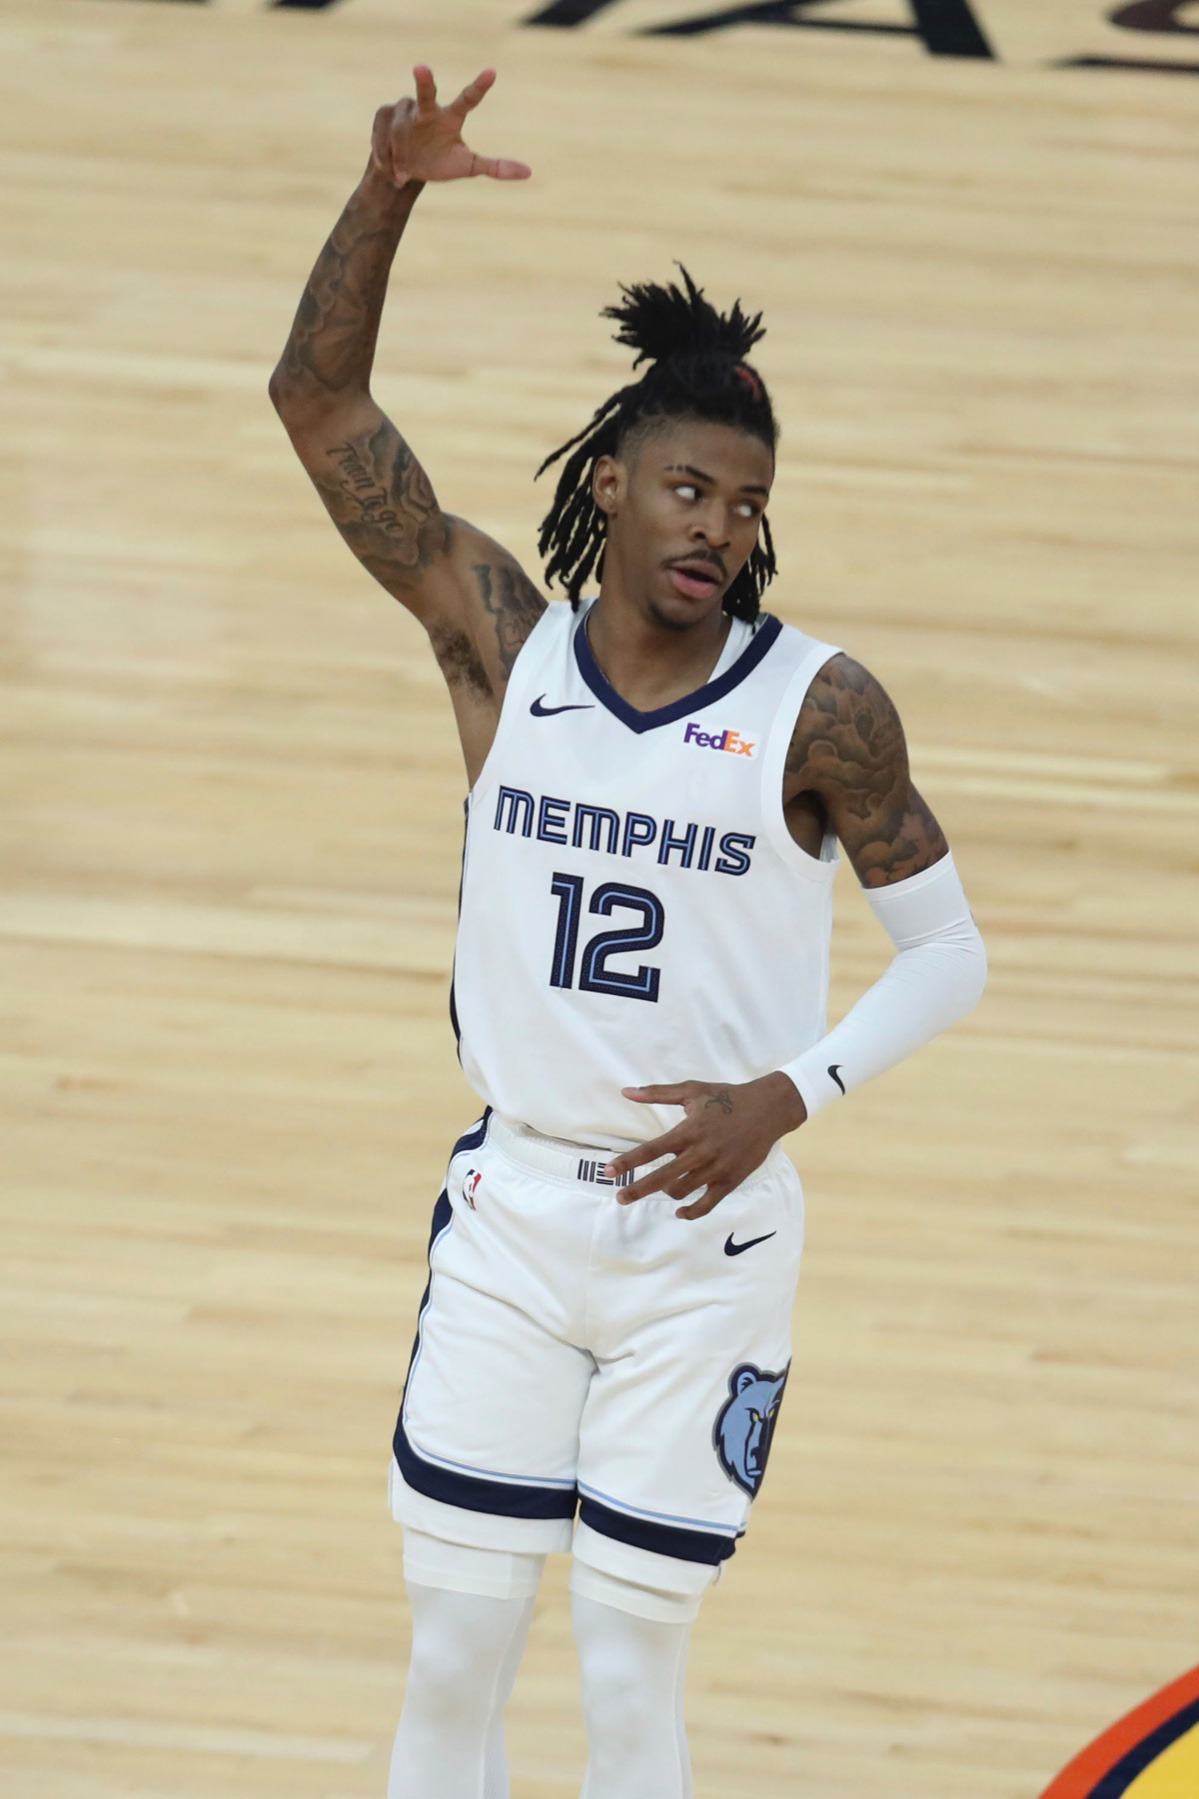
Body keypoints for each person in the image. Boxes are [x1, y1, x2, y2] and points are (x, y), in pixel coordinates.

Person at [269, 63, 987, 1799]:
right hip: (517, 1211)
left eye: (743, 506)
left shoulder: (823, 707)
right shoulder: (500, 646)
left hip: (707, 1249)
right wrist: (389, 193)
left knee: (625, 1677)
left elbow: (952, 952)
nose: (717, 529)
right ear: (613, 476)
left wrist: (785, 1098)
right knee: (452, 1655)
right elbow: (317, 398)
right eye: (687, 491)